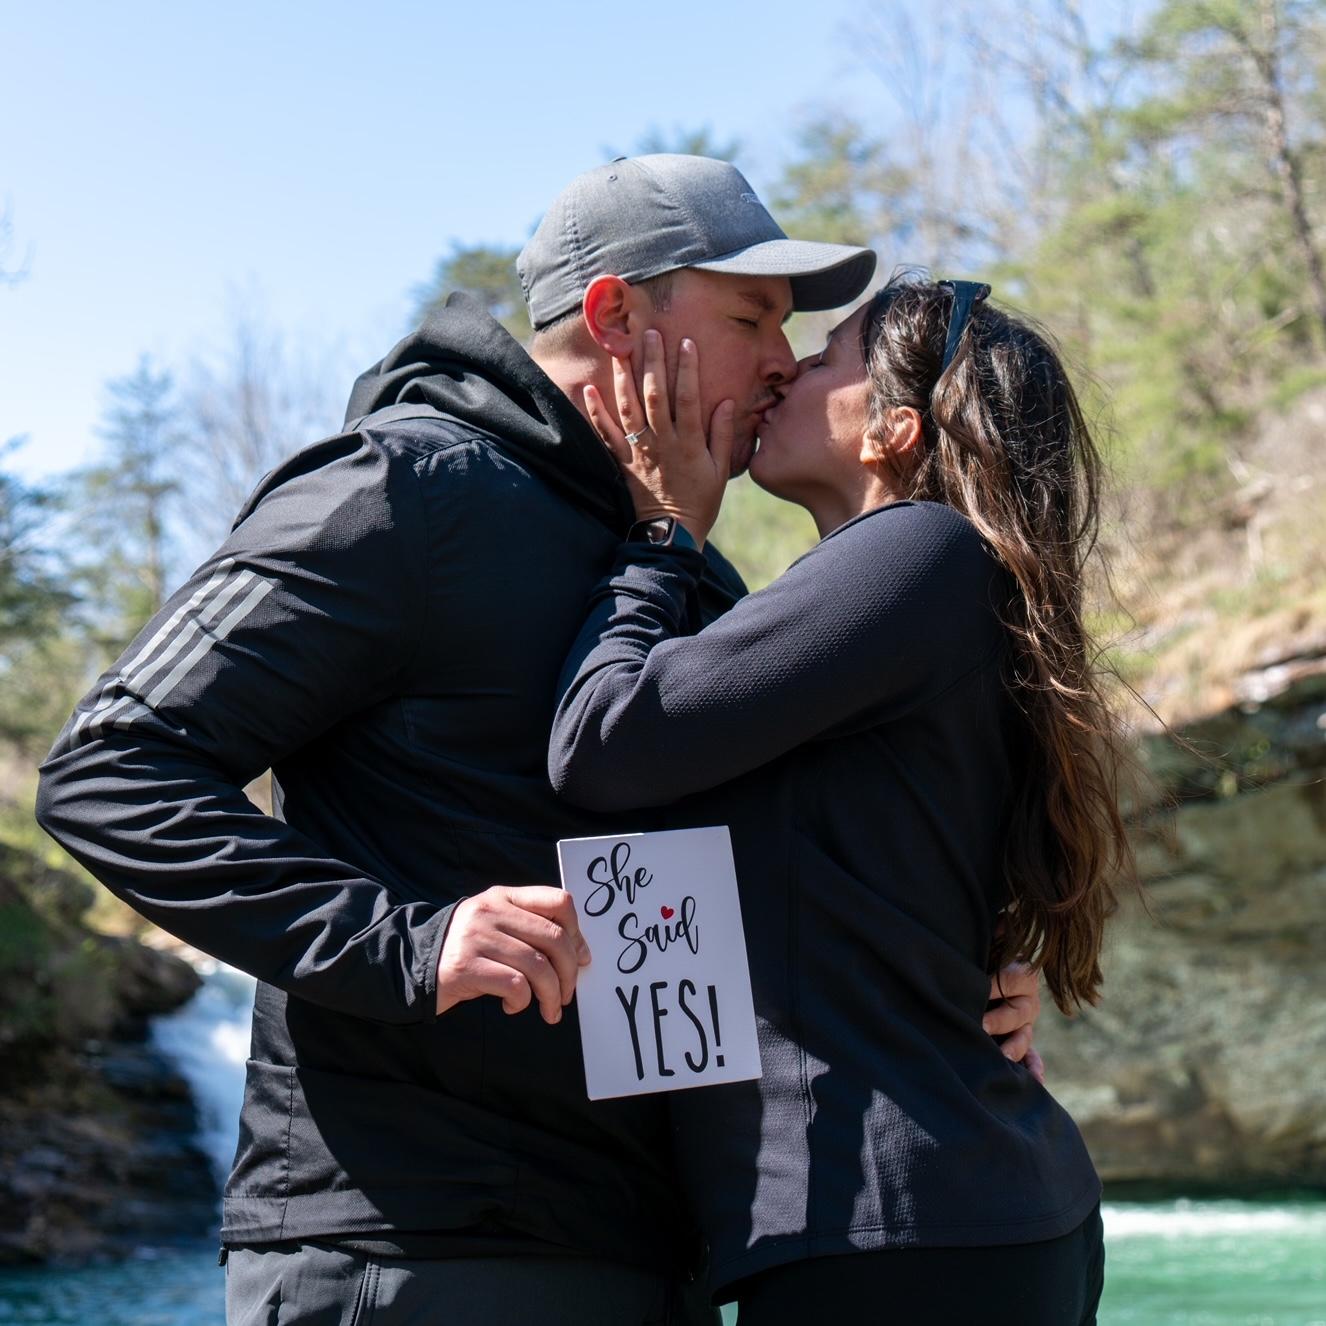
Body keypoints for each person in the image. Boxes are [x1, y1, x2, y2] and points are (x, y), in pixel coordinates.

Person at [35, 157, 1040, 1326]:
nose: (782, 356)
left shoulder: (679, 568)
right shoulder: (403, 491)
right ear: (617, 317)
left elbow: (763, 871)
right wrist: (406, 944)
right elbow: (111, 767)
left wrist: (957, 995)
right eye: (749, 314)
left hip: (650, 1249)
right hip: (414, 1244)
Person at [548, 276, 1133, 1324]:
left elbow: (605, 743)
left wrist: (663, 536)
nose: (783, 369)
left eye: (821, 359)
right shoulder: (943, 582)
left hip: (901, 1231)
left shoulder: (917, 552)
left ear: (891, 430)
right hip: (944, 1218)